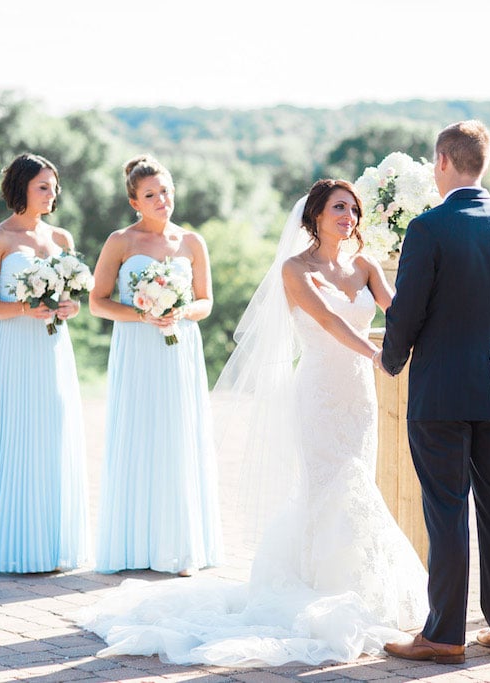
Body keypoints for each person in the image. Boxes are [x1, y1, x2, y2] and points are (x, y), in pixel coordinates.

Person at [77, 179, 428, 666]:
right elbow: (327, 318)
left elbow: (400, 311)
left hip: (359, 396)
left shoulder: (366, 265)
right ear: (315, 217)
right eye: (338, 208)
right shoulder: (294, 268)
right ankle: (315, 580)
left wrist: (431, 325)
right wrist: (376, 353)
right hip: (319, 391)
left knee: (357, 480)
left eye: (353, 209)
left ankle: (355, 581)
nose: (348, 216)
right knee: (330, 483)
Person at [379, 120, 490, 663]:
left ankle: (445, 634)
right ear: (483, 163)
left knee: (446, 509)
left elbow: (407, 311)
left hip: (441, 390)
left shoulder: (429, 228)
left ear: (442, 160)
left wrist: (392, 359)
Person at [89, 155, 222, 575]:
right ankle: (135, 545)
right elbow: (98, 302)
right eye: (150, 195)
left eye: (165, 191)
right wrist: (143, 315)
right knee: (140, 432)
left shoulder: (192, 242)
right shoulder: (120, 242)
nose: (161, 199)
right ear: (135, 202)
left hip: (179, 347)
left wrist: (180, 311)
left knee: (177, 433)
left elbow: (205, 302)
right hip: (137, 347)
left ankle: (180, 546)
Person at [0, 152, 89, 573]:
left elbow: (71, 297)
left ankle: (53, 543)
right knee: (19, 435)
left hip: (55, 349)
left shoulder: (62, 239)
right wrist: (23, 309)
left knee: (53, 434)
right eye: (43, 186)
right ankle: (16, 545)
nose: (52, 193)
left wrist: (69, 308)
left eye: (54, 186)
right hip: (16, 349)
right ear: (21, 188)